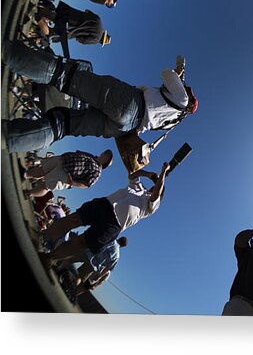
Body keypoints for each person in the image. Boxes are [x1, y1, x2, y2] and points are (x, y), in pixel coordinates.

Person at [2, 41, 197, 152]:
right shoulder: (174, 121)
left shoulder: (183, 100)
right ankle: (6, 138)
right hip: (124, 127)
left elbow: (166, 74)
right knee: (63, 125)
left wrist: (177, 73)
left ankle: (8, 52)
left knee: (64, 76)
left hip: (129, 103)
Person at [40, 164, 170, 265]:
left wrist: (163, 173)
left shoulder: (153, 205)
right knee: (73, 220)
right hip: (105, 205)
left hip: (114, 225)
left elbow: (156, 194)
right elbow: (133, 176)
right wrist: (148, 174)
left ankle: (49, 258)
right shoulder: (139, 187)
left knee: (81, 243)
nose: (157, 185)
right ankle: (41, 237)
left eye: (159, 185)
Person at [24, 148, 113, 198]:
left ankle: (29, 193)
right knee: (42, 170)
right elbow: (77, 153)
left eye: (107, 156)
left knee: (47, 186)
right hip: (62, 160)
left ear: (105, 162)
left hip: (67, 175)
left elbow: (87, 184)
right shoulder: (92, 156)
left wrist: (72, 183)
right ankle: (25, 174)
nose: (104, 153)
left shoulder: (98, 172)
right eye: (105, 153)